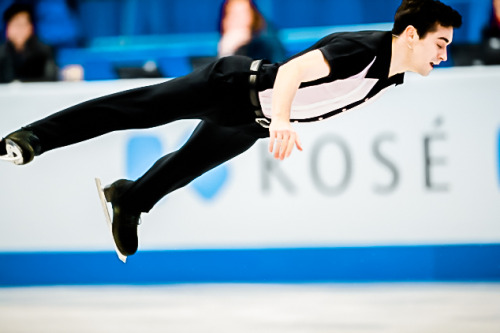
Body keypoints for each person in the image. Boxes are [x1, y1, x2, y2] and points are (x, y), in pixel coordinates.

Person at [0, 0, 462, 259]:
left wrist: (276, 121)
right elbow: (293, 71)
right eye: (439, 42)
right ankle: (34, 137)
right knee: (133, 109)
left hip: (250, 122)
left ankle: (129, 199)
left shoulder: (391, 73)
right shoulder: (362, 49)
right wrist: (283, 118)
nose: (443, 54)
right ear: (409, 35)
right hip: (232, 85)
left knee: (183, 168)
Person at [0, 2, 58, 83]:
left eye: (23, 25)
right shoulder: (2, 54)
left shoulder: (44, 52)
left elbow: (51, 79)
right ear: (7, 29)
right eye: (16, 25)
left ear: (31, 28)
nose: (19, 30)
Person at [218, 0, 286, 63]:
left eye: (243, 14)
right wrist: (226, 52)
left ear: (253, 17)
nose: (238, 21)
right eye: (232, 15)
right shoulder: (224, 45)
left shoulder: (268, 45)